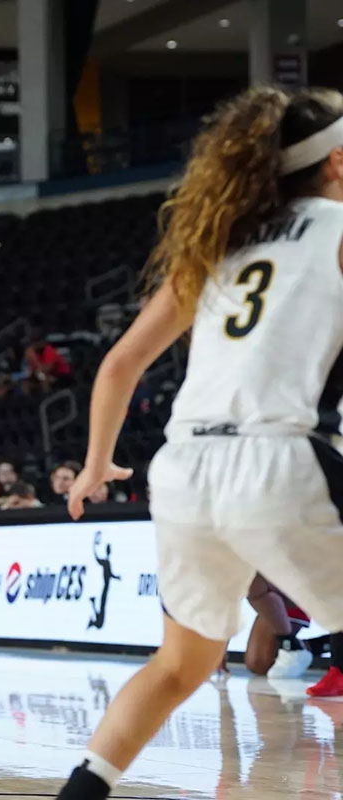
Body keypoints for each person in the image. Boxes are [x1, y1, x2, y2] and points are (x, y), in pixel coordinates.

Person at [55, 86, 343, 800]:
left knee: (180, 665)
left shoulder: (219, 243)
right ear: (336, 163)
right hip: (279, 459)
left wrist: (95, 465)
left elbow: (119, 364)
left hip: (185, 469)